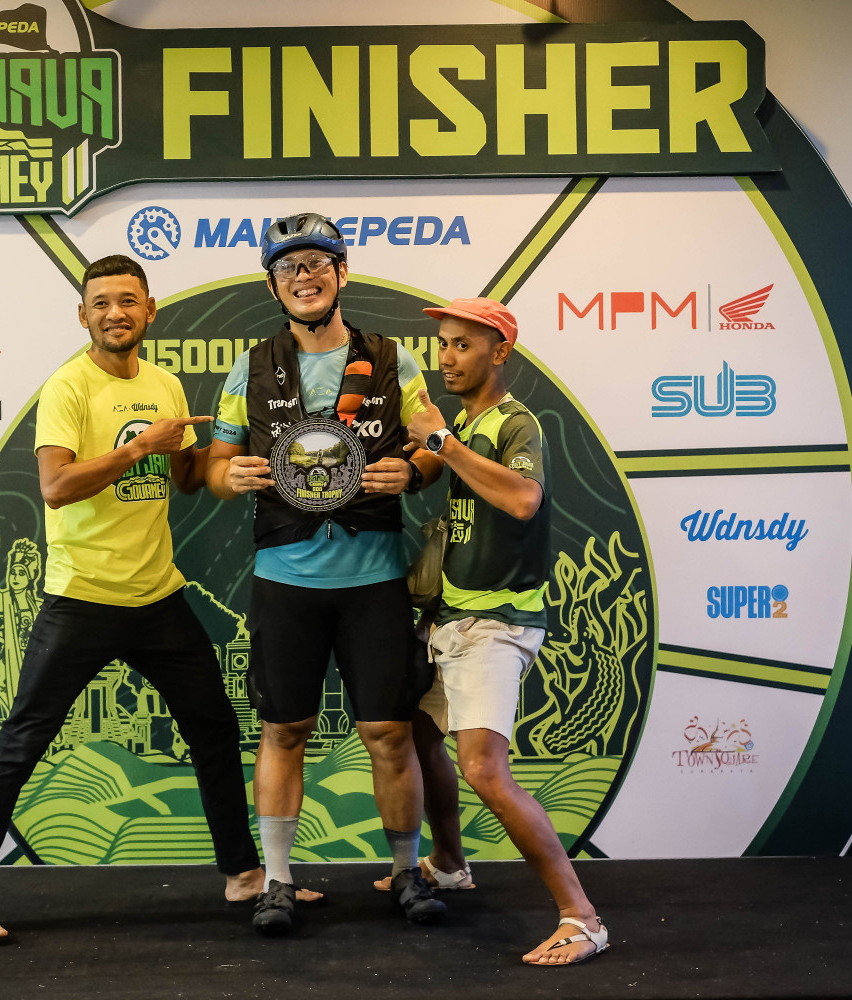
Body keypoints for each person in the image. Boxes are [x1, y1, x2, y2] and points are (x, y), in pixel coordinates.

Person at [0, 255, 270, 945]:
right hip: (82, 598)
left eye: (127, 300)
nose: (114, 312)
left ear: (149, 310)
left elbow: (183, 480)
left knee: (214, 729)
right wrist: (139, 446)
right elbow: (55, 487)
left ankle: (244, 876)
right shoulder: (68, 386)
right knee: (21, 745)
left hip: (158, 596)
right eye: (101, 302)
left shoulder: (165, 383)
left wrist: (207, 453)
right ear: (83, 315)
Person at [206, 213, 447, 936]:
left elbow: (433, 445)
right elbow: (215, 468)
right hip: (287, 577)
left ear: (341, 273)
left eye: (317, 263)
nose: (303, 277)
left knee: (390, 733)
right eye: (288, 267)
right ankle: (278, 882)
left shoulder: (394, 360)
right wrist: (230, 477)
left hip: (374, 578)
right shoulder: (250, 367)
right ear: (273, 286)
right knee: (284, 730)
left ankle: (406, 871)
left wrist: (415, 469)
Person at [395, 297, 610, 966]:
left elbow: (522, 499)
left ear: (500, 352)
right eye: (443, 343)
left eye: (462, 344)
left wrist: (441, 443)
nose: (447, 356)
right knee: (418, 733)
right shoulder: (465, 421)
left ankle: (582, 919)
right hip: (452, 619)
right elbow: (422, 471)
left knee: (485, 769)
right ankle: (450, 864)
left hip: (495, 625)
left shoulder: (516, 422)